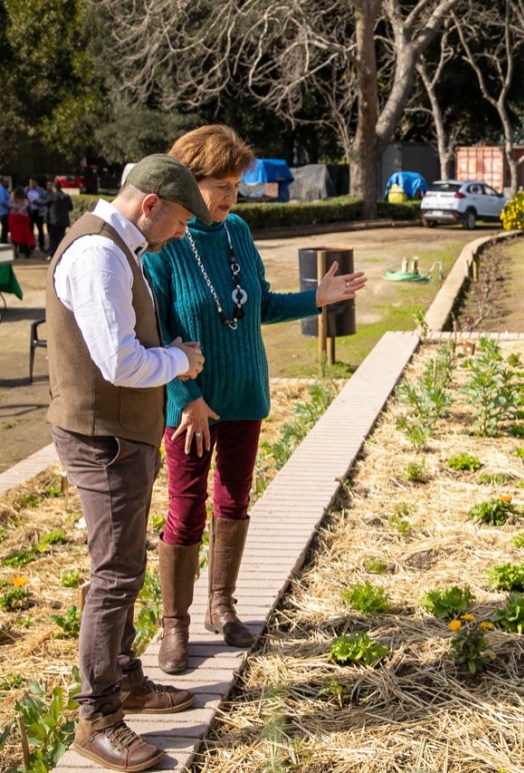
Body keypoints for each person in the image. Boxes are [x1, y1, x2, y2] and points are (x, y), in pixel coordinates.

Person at [143, 125, 366, 675]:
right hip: (192, 408)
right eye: (221, 185)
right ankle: (175, 624)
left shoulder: (238, 232)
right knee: (185, 510)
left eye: (236, 185)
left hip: (245, 394)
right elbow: (157, 333)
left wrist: (316, 299)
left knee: (234, 502)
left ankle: (221, 605)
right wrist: (187, 396)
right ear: (188, 182)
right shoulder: (165, 243)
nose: (231, 196)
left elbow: (258, 304)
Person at [47, 154, 213, 772]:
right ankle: (97, 718)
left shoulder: (119, 247)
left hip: (119, 435)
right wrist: (180, 361)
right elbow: (119, 363)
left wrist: (167, 353)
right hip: (104, 439)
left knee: (123, 564)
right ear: (150, 205)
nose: (183, 232)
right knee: (115, 573)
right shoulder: (99, 254)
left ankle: (123, 678)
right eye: (181, 220)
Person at [42, 180, 73, 257]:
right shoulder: (66, 196)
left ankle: (52, 254)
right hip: (63, 221)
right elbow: (71, 208)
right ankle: (61, 254)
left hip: (53, 221)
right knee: (61, 238)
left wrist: (33, 201)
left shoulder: (52, 196)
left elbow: (43, 203)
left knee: (53, 239)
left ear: (53, 187)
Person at [8, 186, 35, 258]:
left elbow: (9, 206)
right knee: (25, 236)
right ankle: (26, 253)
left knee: (15, 236)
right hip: (22, 219)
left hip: (14, 219)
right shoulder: (25, 201)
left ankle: (15, 253)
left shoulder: (12, 200)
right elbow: (26, 207)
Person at [26, 177, 47, 253]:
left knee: (40, 230)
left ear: (36, 183)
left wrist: (36, 201)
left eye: (33, 183)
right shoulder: (26, 190)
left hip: (38, 212)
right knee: (30, 230)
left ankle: (41, 245)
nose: (31, 184)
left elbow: (46, 200)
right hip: (30, 212)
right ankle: (31, 245)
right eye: (30, 182)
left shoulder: (41, 191)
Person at [0, 176, 10, 243]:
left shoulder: (4, 189)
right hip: (3, 212)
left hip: (5, 211)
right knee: (5, 227)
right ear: (2, 182)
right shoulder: (1, 190)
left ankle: (4, 240)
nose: (7, 183)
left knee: (6, 227)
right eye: (6, 182)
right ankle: (3, 241)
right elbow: (2, 201)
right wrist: (10, 204)